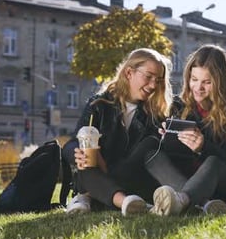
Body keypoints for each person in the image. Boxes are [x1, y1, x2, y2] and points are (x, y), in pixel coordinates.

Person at [145, 44, 226, 216]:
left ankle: (183, 201)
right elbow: (175, 155)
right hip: (190, 180)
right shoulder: (179, 105)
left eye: (207, 82)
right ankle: (203, 204)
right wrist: (165, 137)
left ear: (219, 82)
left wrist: (203, 147)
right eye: (194, 79)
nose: (198, 88)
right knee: (152, 157)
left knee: (212, 161)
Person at [62, 48, 173, 216]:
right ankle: (124, 201)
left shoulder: (155, 115)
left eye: (157, 80)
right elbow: (72, 143)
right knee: (86, 163)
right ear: (129, 72)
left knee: (151, 143)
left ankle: (88, 196)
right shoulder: (99, 105)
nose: (153, 85)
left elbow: (146, 160)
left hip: (129, 178)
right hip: (96, 172)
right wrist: (76, 153)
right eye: (148, 77)